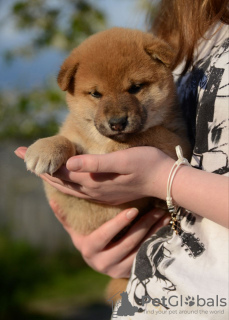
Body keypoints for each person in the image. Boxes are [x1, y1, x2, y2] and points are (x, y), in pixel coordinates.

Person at [15, 0, 229, 318]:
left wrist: (159, 176)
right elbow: (71, 140)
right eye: (96, 94)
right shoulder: (180, 25)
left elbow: (175, 148)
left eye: (136, 87)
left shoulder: (163, 106)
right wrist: (98, 250)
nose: (116, 114)